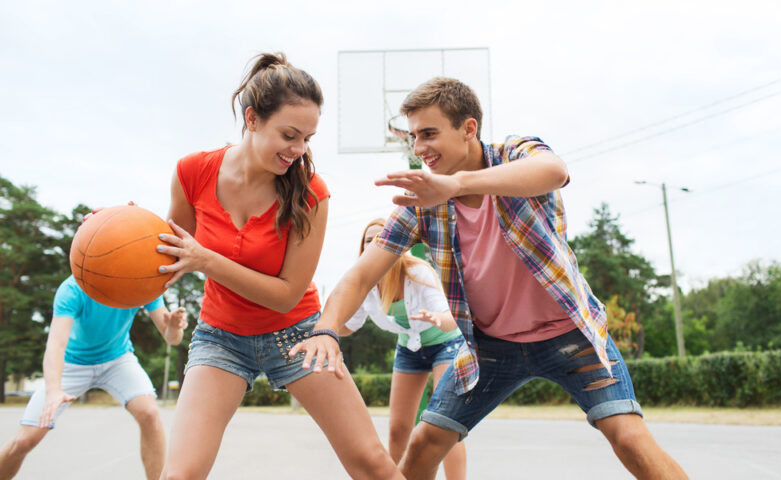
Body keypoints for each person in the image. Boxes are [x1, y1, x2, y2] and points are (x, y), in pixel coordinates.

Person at [291, 77, 689, 479]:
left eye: (429, 134)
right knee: (424, 443)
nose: (419, 148)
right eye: (414, 137)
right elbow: (359, 277)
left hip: (569, 335)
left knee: (628, 438)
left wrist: (457, 184)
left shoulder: (514, 153)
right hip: (491, 348)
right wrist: (326, 329)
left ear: (468, 129)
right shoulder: (422, 204)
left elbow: (553, 171)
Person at [155, 53, 402, 480]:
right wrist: (113, 230)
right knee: (180, 474)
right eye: (289, 135)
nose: (298, 150)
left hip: (299, 334)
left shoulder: (310, 193)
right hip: (221, 337)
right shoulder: (192, 172)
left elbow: (287, 292)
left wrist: (206, 259)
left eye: (307, 138)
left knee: (372, 464)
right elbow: (169, 251)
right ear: (252, 119)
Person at [0, 275, 187, 480]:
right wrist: (53, 390)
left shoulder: (142, 282)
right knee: (24, 441)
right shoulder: (73, 288)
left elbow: (172, 339)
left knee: (150, 413)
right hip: (72, 364)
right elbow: (56, 344)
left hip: (118, 359)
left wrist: (173, 327)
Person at [342, 218, 466, 479]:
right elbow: (349, 325)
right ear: (362, 249)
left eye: (381, 237)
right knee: (398, 428)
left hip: (447, 342)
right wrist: (317, 330)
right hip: (410, 348)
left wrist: (435, 319)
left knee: (445, 423)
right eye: (368, 240)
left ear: (395, 243)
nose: (375, 244)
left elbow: (450, 317)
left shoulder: (417, 272)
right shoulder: (364, 282)